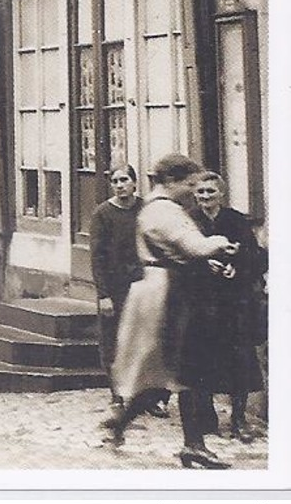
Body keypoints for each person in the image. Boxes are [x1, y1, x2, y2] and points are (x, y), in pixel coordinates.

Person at [103, 153, 239, 469]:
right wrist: (221, 243)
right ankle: (194, 446)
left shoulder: (154, 207)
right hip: (169, 293)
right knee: (187, 369)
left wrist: (207, 260)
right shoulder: (164, 211)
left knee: (161, 372)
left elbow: (179, 250)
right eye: (189, 184)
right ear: (172, 181)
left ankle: (121, 424)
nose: (193, 191)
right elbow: (193, 246)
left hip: (160, 287)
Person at [182, 171, 265, 442]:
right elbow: (178, 258)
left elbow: (257, 258)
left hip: (232, 304)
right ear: (195, 195)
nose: (206, 197)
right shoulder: (188, 221)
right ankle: (207, 418)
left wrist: (236, 266)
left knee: (238, 361)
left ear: (221, 194)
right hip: (201, 303)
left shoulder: (236, 220)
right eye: (201, 192)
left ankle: (239, 418)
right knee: (203, 360)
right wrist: (204, 264)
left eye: (211, 192)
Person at [89, 165, 168, 417]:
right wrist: (103, 295)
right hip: (115, 287)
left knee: (151, 339)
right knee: (114, 341)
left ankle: (154, 397)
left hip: (144, 283)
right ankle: (119, 395)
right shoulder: (103, 214)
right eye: (115, 181)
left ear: (135, 183)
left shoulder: (145, 210)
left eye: (124, 180)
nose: (120, 185)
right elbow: (97, 257)